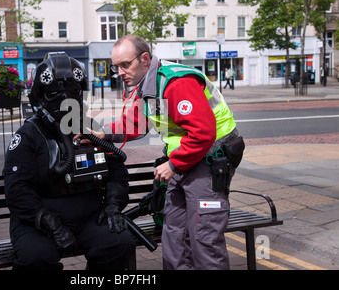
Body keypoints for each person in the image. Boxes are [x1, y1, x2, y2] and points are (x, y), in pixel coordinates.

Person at [80, 35, 244, 270]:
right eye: (116, 66)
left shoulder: (176, 82)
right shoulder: (149, 84)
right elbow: (137, 122)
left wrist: (174, 164)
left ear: (145, 59)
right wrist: (104, 135)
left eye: (125, 64)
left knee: (204, 238)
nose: (119, 72)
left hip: (209, 160)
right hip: (186, 160)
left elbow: (203, 133)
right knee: (174, 234)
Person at [3, 52, 135, 270]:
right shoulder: (28, 135)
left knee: (119, 243)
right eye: (54, 92)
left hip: (88, 215)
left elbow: (116, 171)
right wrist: (50, 223)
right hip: (41, 218)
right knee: (35, 258)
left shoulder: (90, 129)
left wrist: (113, 205)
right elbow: (17, 189)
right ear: (40, 96)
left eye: (72, 92)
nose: (64, 100)